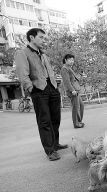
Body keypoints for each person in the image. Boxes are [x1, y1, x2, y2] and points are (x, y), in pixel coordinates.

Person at [15, 28, 68, 161]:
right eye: (41, 37)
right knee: (44, 121)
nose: (43, 40)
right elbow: (23, 74)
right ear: (32, 38)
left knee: (56, 119)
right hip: (39, 90)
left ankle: (55, 144)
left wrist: (56, 84)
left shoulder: (43, 54)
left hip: (52, 88)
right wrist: (31, 88)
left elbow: (48, 70)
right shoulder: (22, 53)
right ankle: (50, 151)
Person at [61, 54, 85, 129]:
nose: (72, 61)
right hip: (72, 91)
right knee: (75, 107)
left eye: (73, 60)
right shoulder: (64, 69)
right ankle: (76, 123)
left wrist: (81, 76)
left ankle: (79, 121)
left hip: (76, 90)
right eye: (70, 60)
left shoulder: (69, 68)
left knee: (81, 105)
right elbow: (67, 81)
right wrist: (72, 90)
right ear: (65, 60)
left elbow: (74, 79)